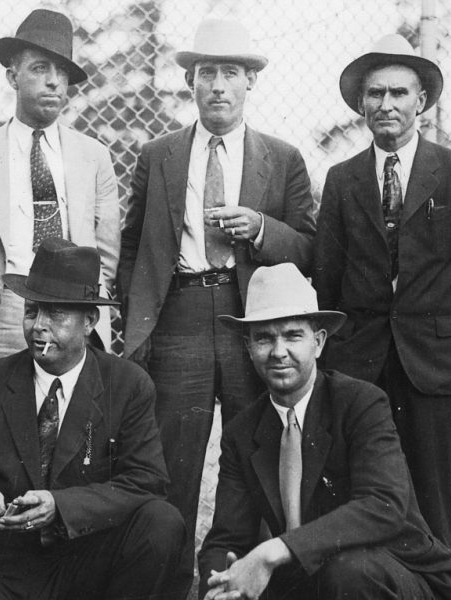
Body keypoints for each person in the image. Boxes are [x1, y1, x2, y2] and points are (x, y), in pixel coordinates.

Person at [118, 16, 315, 595]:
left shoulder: (282, 157)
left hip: (251, 319)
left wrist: (260, 227)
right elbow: (132, 246)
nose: (219, 86)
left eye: (231, 73)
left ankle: (247, 583)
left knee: (257, 456)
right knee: (170, 463)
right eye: (207, 73)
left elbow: (309, 248)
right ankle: (166, 585)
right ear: (191, 82)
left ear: (251, 81)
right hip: (178, 313)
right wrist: (136, 320)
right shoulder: (158, 155)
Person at [312, 34, 451, 550]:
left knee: (433, 504)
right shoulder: (342, 180)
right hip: (361, 365)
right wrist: (328, 366)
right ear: (361, 103)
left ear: (420, 102)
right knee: (359, 496)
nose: (387, 104)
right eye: (375, 93)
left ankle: (436, 581)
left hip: (437, 365)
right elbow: (327, 281)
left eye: (399, 93)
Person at [0, 238, 184, 600]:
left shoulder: (127, 385)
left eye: (55, 314)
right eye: (31, 311)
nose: (39, 326)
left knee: (162, 523)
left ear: (89, 321)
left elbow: (146, 482)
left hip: (80, 558)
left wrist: (61, 508)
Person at [198, 263, 451, 600]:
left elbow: (382, 505)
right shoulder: (242, 431)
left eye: (293, 335)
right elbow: (225, 538)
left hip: (393, 573)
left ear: (319, 342)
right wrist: (221, 584)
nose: (278, 352)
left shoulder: (359, 403)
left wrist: (274, 550)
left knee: (348, 572)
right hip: (307, 582)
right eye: (264, 338)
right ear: (248, 347)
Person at [0, 8, 120, 390]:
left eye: (62, 72)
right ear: (13, 77)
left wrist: (81, 309)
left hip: (72, 313)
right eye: (40, 68)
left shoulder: (93, 157)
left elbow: (106, 253)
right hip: (1, 315)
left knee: (69, 416)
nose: (53, 81)